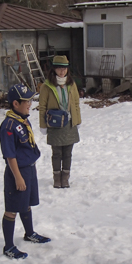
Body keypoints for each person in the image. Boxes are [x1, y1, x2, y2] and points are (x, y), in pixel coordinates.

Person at [0, 84, 51, 260]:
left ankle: (29, 233)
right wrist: (18, 177)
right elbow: (10, 155)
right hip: (17, 172)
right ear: (15, 103)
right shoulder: (8, 125)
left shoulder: (23, 120)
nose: (30, 103)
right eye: (26, 100)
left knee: (26, 203)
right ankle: (8, 246)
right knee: (12, 209)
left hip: (29, 169)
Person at [38, 55, 82, 188]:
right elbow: (42, 107)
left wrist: (77, 120)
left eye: (64, 69)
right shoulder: (47, 86)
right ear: (54, 70)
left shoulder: (71, 84)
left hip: (69, 123)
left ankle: (65, 177)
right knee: (57, 153)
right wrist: (43, 125)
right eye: (59, 69)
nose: (62, 72)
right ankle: (57, 178)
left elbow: (76, 103)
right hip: (54, 123)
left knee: (68, 153)